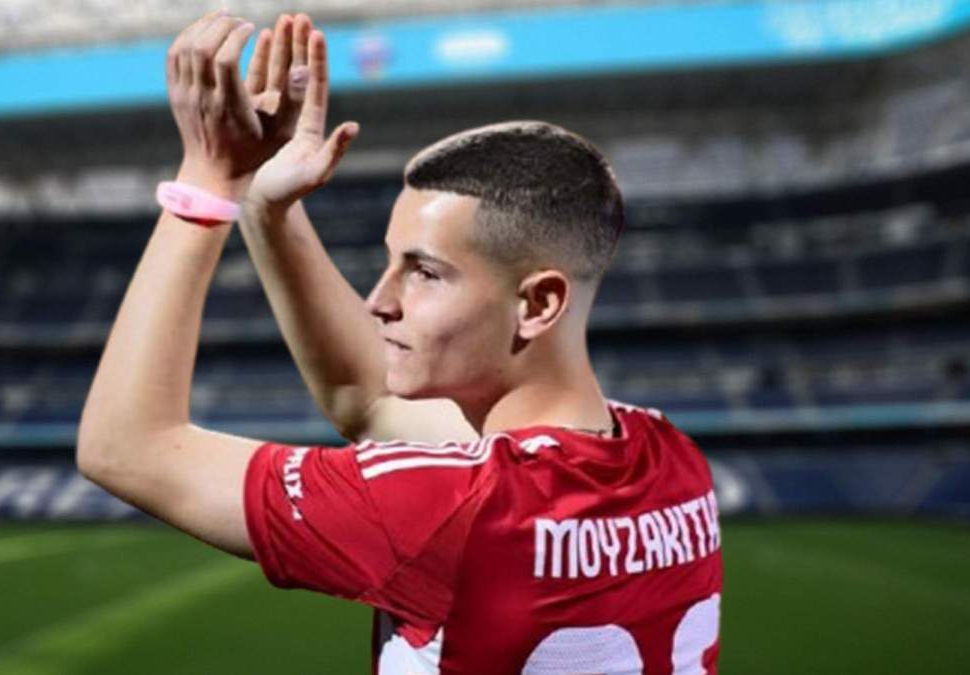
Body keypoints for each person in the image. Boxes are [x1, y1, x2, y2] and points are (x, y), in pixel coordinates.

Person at [78, 11, 722, 674]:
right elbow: (369, 401)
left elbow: (124, 448)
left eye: (423, 271)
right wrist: (268, 208)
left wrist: (208, 181)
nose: (378, 301)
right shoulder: (672, 459)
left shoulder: (447, 507)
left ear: (537, 303)